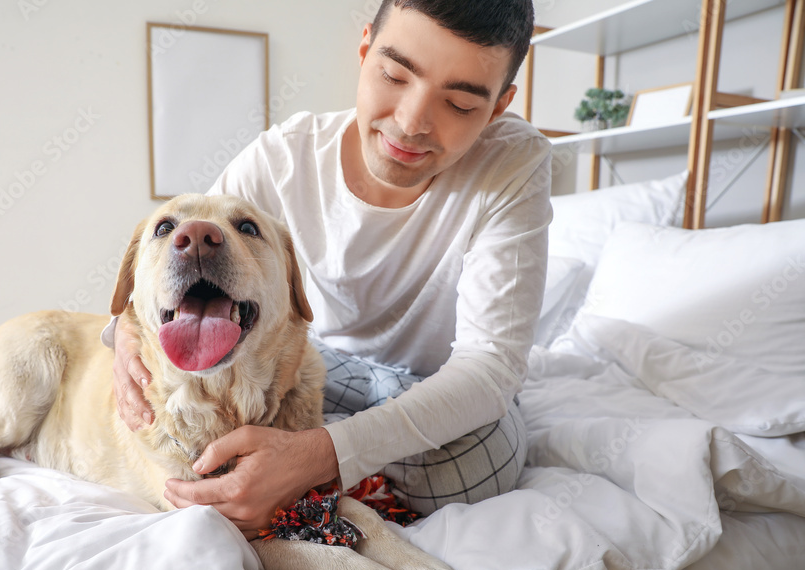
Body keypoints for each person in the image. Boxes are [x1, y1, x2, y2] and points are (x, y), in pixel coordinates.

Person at [107, 0, 551, 539]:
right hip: (323, 369)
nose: (411, 123)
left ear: (500, 105)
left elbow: (491, 368)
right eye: (393, 75)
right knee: (224, 401)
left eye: (458, 103)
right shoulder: (280, 158)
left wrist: (321, 453)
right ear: (364, 52)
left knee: (482, 468)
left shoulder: (515, 164)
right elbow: (178, 264)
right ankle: (311, 457)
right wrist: (124, 338)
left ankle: (304, 459)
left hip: (440, 384)